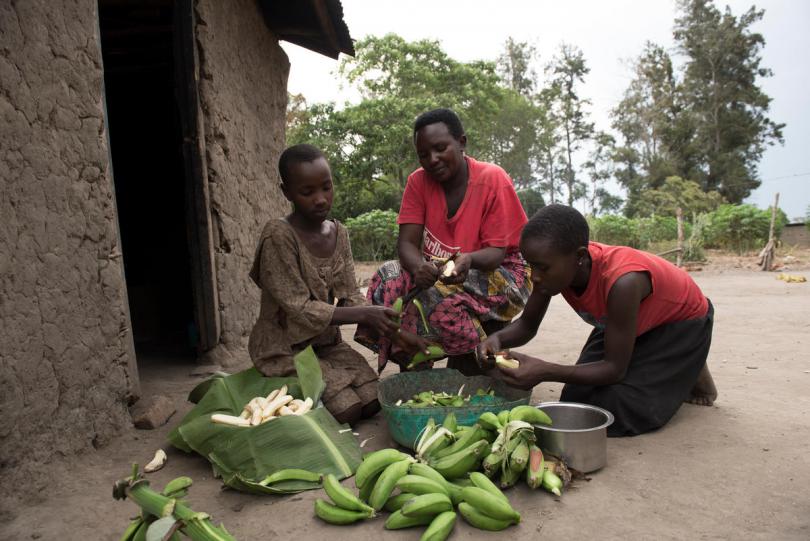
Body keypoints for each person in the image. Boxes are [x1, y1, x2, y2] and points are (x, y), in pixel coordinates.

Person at [480, 204, 718, 437]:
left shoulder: (623, 281)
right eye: (530, 266)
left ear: (580, 257)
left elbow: (614, 369)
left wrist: (545, 371)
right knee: (577, 399)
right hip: (623, 322)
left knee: (619, 408)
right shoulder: (554, 270)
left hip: (680, 324)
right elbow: (527, 326)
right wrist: (496, 339)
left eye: (541, 268)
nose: (535, 276)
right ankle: (684, 362)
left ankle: (692, 360)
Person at [356, 108, 532, 375]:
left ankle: (474, 355)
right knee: (387, 278)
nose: (432, 159)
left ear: (461, 143)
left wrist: (469, 259)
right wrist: (418, 267)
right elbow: (407, 244)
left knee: (440, 298)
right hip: (443, 269)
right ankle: (413, 356)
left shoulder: (491, 178)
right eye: (424, 154)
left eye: (440, 148)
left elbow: (497, 252)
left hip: (503, 272)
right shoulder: (418, 182)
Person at [247, 144, 402, 425]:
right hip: (285, 347)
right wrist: (364, 314)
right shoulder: (278, 236)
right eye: (307, 192)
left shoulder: (338, 232)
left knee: (372, 400)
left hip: (326, 343)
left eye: (326, 187)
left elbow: (350, 293)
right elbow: (299, 308)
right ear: (287, 193)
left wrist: (384, 323)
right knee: (347, 409)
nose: (320, 199)